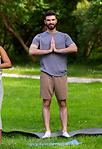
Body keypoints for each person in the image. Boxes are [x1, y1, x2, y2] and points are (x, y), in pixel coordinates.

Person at [29, 10, 78, 138]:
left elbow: (74, 48)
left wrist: (57, 50)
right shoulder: (39, 37)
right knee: (46, 103)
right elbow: (31, 50)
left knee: (62, 103)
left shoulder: (64, 36)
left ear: (56, 21)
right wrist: (47, 51)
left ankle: (64, 131)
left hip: (61, 74)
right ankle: (47, 131)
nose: (51, 22)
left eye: (53, 20)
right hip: (46, 73)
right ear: (45, 22)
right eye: (48, 20)